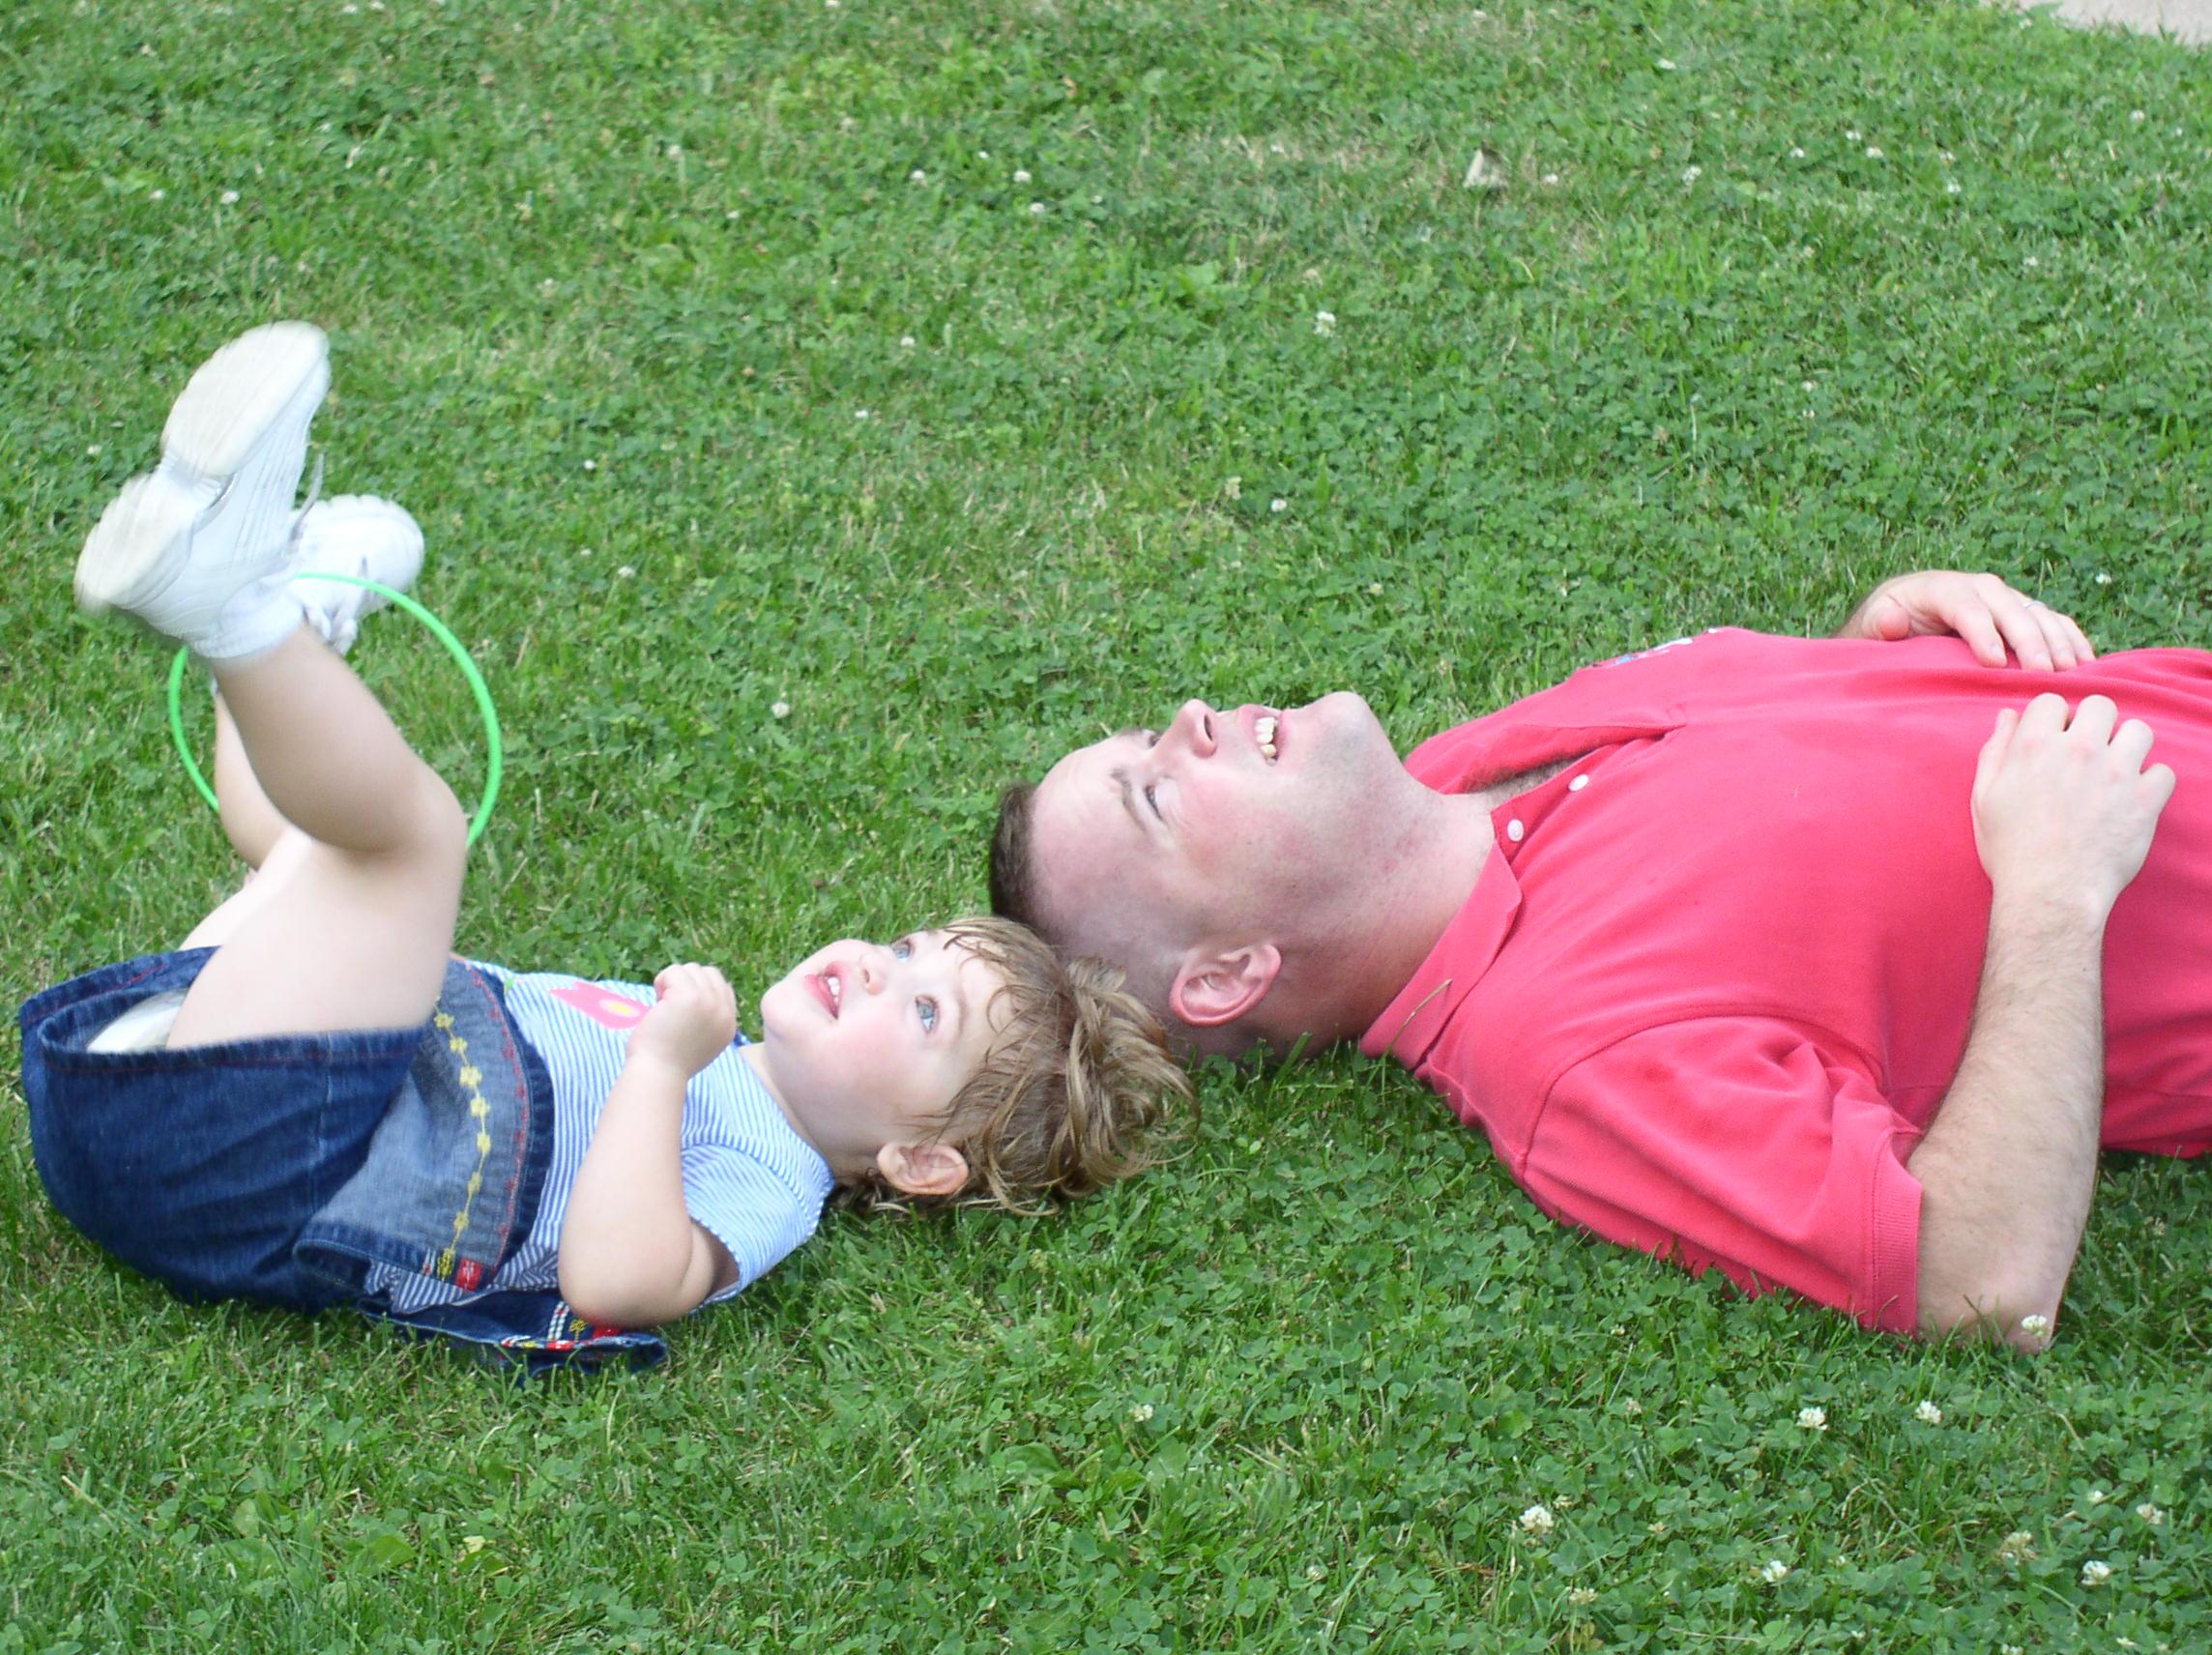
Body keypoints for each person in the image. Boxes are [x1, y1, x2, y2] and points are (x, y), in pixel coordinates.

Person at [22, 322, 1189, 1372]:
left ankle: (240, 609)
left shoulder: (771, 1177)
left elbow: (617, 1280)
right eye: (905, 947)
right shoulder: (703, 1047)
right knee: (305, 852)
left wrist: (660, 1066)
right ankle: (268, 610)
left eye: (927, 1011)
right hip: (153, 1100)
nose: (883, 968)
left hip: (249, 1173)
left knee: (412, 842)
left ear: (917, 1158)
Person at [990, 572, 2204, 1351]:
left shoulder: (1459, 771)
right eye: (1155, 793)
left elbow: (1773, 850)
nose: (1188, 718)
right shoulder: (1571, 1050)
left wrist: (1861, 655)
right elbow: (1976, 1285)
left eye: (1143, 732)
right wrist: (2052, 895)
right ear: (1224, 975)